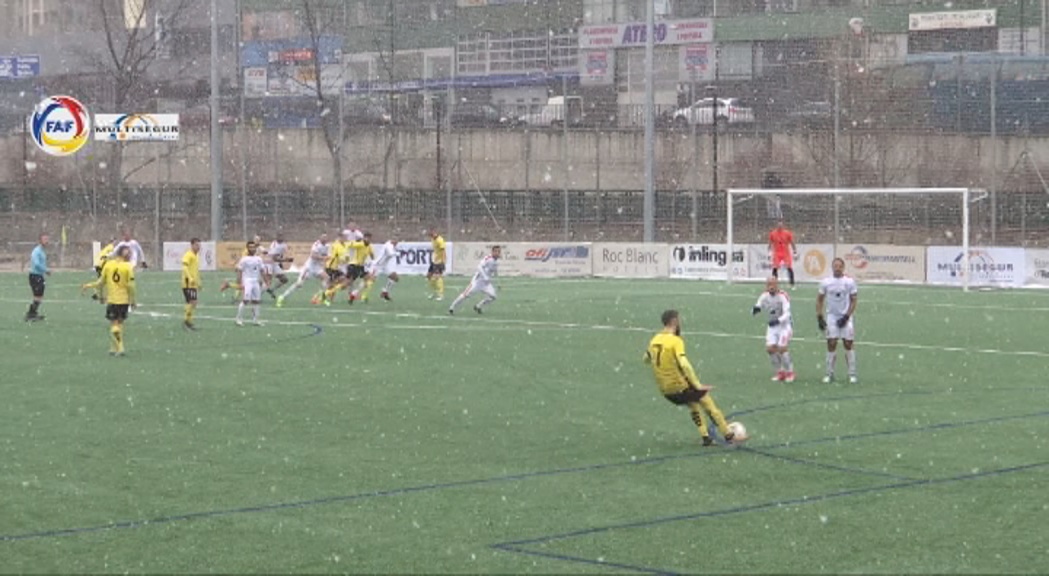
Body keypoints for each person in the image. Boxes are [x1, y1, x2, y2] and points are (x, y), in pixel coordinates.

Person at [644, 310, 742, 446]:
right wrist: (697, 385)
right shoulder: (675, 341)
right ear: (674, 322)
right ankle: (728, 434)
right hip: (678, 386)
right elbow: (684, 364)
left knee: (693, 403)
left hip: (666, 391)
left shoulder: (655, 340)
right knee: (707, 401)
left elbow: (646, 359)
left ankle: (705, 437)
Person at [81, 246, 136, 356]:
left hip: (112, 300)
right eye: (129, 254)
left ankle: (114, 347)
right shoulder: (128, 267)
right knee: (119, 324)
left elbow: (100, 282)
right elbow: (131, 286)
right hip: (123, 301)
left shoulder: (108, 265)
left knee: (113, 323)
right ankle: (119, 348)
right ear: (125, 255)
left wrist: (88, 285)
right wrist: (133, 300)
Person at [817, 257, 859, 384]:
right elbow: (819, 299)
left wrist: (846, 316)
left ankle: (852, 373)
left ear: (843, 267)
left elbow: (854, 300)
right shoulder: (826, 282)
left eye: (840, 266)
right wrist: (819, 316)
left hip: (846, 317)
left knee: (848, 343)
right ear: (832, 267)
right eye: (835, 266)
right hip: (832, 317)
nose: (837, 268)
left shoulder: (849, 282)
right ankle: (829, 373)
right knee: (831, 343)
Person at [752, 276, 794, 382]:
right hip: (772, 326)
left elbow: (787, 314)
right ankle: (780, 372)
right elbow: (757, 305)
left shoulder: (783, 296)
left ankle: (790, 372)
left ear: (777, 285)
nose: (771, 287)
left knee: (782, 348)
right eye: (769, 284)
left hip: (785, 326)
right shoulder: (764, 296)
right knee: (770, 349)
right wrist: (755, 310)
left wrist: (778, 320)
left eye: (773, 284)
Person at [276, 233, 330, 308]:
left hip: (317, 267)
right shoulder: (316, 244)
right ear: (320, 237)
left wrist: (327, 259)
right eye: (323, 237)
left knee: (326, 278)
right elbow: (313, 256)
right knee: (299, 284)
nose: (324, 238)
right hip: (309, 267)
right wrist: (323, 258)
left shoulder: (327, 246)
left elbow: (327, 255)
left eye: (326, 237)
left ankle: (322, 298)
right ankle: (282, 297)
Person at [448, 245, 500, 315]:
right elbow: (479, 267)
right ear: (492, 252)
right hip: (477, 282)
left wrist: (498, 282)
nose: (498, 253)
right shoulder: (488, 258)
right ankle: (452, 307)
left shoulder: (496, 262)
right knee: (465, 295)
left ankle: (478, 306)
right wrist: (484, 276)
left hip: (486, 284)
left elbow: (494, 271)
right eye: (496, 251)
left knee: (493, 296)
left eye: (499, 252)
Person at [235, 241, 270, 326]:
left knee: (256, 301)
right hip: (247, 281)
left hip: (255, 281)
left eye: (253, 247)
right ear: (247, 248)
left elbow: (262, 270)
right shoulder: (244, 259)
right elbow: (239, 270)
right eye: (250, 247)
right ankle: (238, 318)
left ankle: (256, 320)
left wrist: (266, 280)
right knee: (246, 300)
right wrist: (239, 281)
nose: (252, 248)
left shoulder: (258, 259)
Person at [365, 237, 400, 301]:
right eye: (396, 241)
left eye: (397, 241)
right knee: (370, 280)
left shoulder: (392, 245)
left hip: (384, 266)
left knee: (395, 277)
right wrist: (397, 253)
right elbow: (390, 254)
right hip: (377, 265)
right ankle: (360, 294)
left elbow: (394, 251)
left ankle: (384, 292)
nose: (397, 243)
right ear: (392, 240)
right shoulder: (388, 245)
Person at [25, 233, 50, 322]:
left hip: (39, 276)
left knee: (39, 296)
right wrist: (45, 270)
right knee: (37, 296)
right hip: (35, 276)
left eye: (47, 239)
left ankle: (33, 313)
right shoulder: (37, 251)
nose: (47, 241)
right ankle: (30, 314)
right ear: (40, 240)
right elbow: (36, 264)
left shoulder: (42, 251)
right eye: (45, 239)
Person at [768, 220, 797, 289]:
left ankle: (792, 284)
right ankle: (774, 284)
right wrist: (769, 253)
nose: (780, 226)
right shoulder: (773, 233)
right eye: (778, 225)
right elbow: (770, 243)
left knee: (789, 268)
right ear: (777, 225)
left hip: (786, 253)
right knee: (775, 268)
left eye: (781, 225)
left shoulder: (787, 233)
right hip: (777, 253)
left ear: (783, 225)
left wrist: (794, 252)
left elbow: (792, 243)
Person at [182, 238, 202, 330]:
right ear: (192, 245)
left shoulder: (196, 256)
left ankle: (188, 321)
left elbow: (196, 270)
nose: (198, 247)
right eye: (197, 245)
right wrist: (189, 278)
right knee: (192, 302)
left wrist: (199, 282)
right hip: (187, 283)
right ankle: (186, 322)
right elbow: (184, 268)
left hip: (193, 283)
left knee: (191, 303)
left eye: (199, 245)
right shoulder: (188, 255)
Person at [265, 233, 291, 298]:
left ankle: (272, 290)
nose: (280, 238)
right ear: (276, 237)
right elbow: (274, 258)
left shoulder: (284, 245)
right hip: (269, 263)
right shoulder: (274, 244)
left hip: (275, 264)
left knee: (284, 279)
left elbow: (285, 254)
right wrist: (285, 260)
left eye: (281, 236)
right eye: (279, 236)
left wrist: (287, 259)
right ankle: (256, 296)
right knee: (268, 282)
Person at [427, 229, 447, 301]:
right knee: (429, 276)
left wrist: (443, 261)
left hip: (439, 261)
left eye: (432, 234)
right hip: (434, 261)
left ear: (436, 233)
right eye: (431, 235)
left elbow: (443, 252)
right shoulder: (432, 239)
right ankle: (434, 292)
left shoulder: (440, 240)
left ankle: (441, 295)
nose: (432, 236)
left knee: (437, 277)